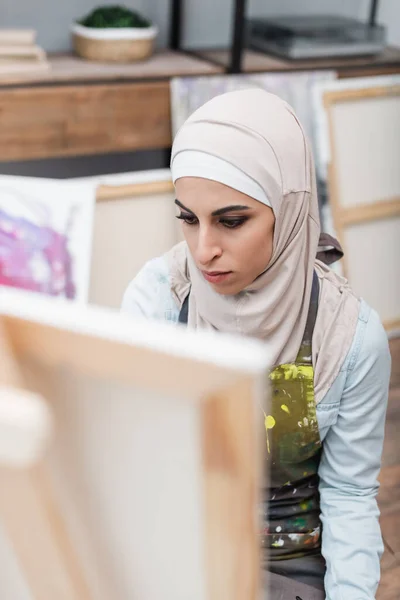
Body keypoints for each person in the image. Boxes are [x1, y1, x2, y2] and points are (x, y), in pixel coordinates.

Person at [121, 89, 391, 599]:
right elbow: (136, 469)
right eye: (187, 218)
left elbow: (349, 493)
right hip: (178, 553)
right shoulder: (158, 300)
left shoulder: (350, 339)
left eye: (231, 221)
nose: (204, 250)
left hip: (286, 565)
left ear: (288, 210)